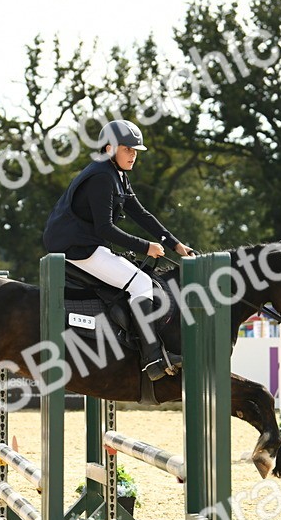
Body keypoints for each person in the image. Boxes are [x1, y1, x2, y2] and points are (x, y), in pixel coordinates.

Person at [42, 119, 194, 381]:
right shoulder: (102, 176)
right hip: (78, 246)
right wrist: (146, 246)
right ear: (110, 148)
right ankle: (153, 358)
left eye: (136, 151)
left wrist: (174, 244)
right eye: (128, 149)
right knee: (142, 284)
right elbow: (105, 229)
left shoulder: (116, 174)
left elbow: (140, 213)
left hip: (85, 242)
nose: (133, 155)